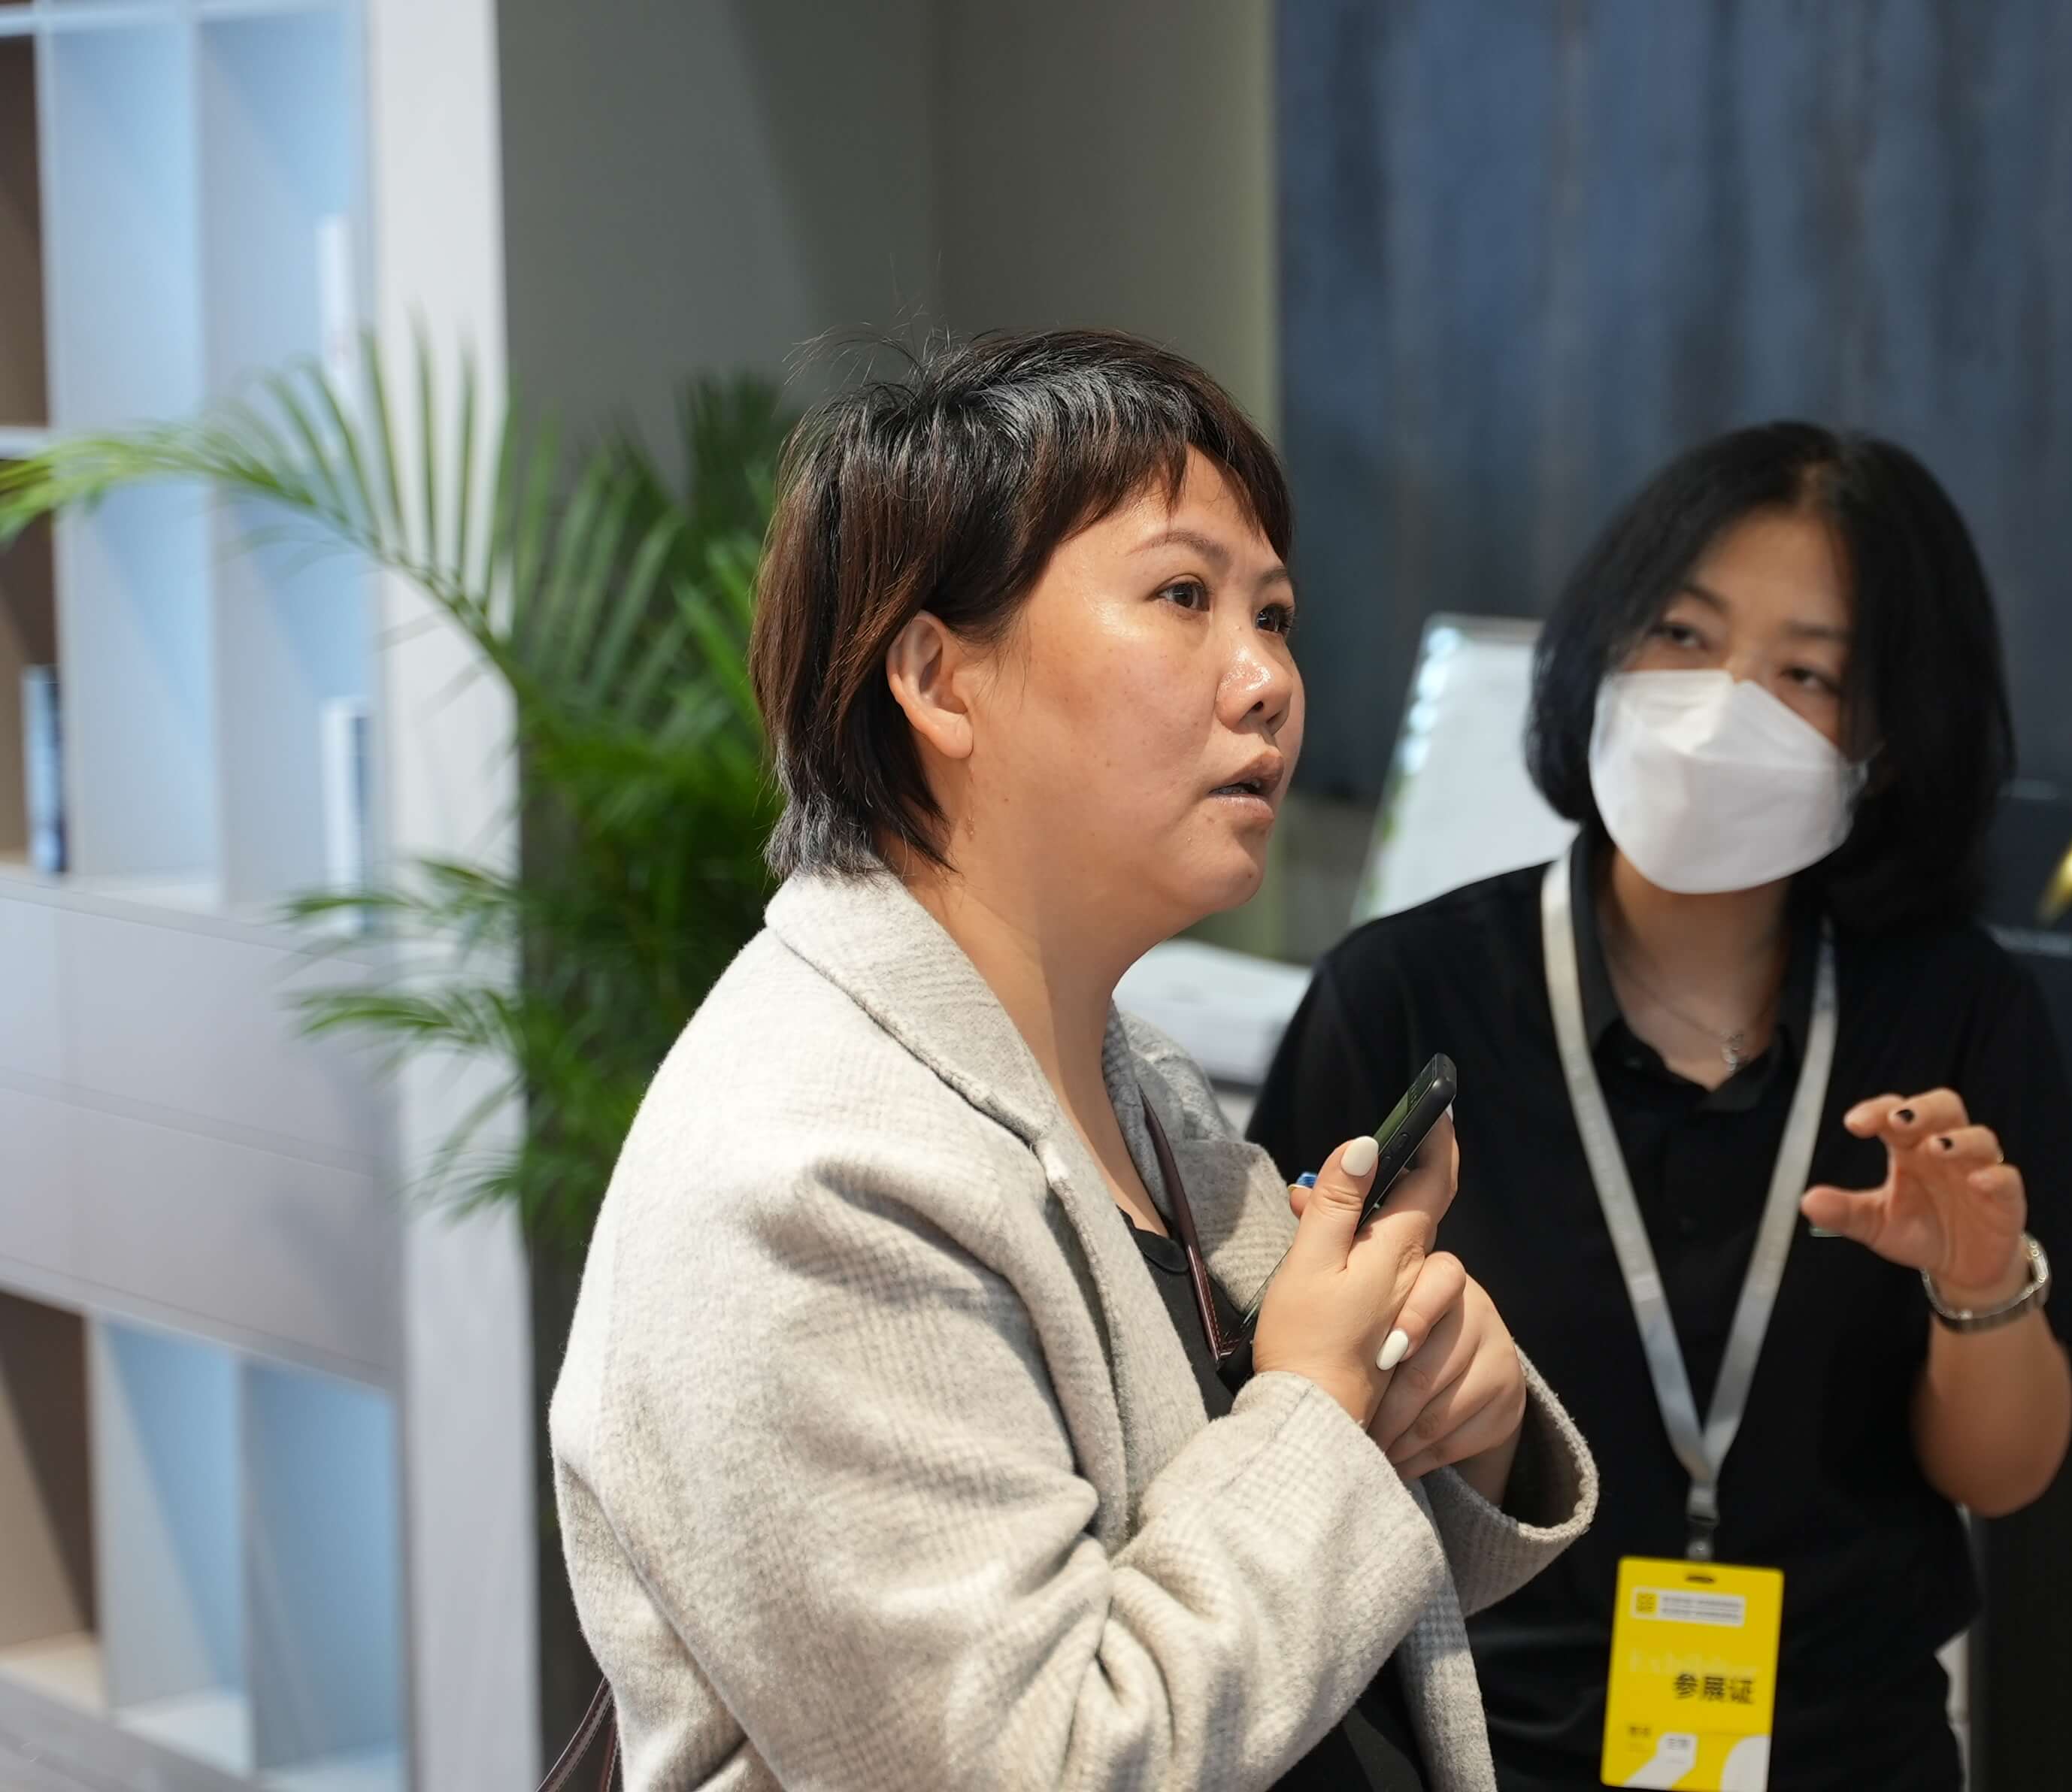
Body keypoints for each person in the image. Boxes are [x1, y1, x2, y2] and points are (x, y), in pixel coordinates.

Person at [549, 330, 1596, 1792]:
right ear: (939, 678)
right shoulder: (802, 1178)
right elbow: (1029, 1761)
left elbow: (1261, 1542)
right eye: (1183, 597)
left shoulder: (1132, 1078)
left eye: (1275, 614)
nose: (1268, 681)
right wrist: (1316, 1401)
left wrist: (1439, 1409)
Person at [1251, 423, 2072, 1790]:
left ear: (1886, 741)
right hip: (1482, 1755)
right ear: (1602, 651)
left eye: (1807, 673)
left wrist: (1980, 1284)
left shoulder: (1954, 1013)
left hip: (1851, 1757)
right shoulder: (1406, 996)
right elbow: (1278, 1428)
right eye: (1684, 636)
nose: (1724, 705)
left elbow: (2001, 1476)